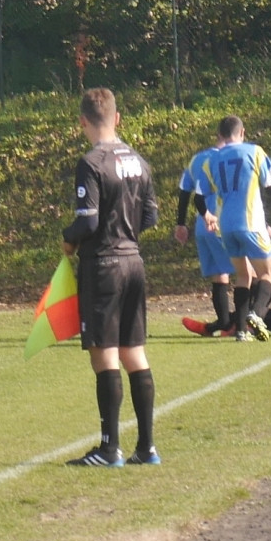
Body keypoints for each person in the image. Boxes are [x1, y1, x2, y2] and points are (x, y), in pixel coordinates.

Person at [62, 88, 161, 468]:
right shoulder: (138, 160)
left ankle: (109, 449)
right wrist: (126, 233)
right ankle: (147, 448)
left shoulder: (91, 163)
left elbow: (87, 222)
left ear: (82, 121)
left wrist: (69, 238)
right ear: (118, 118)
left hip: (103, 265)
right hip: (133, 262)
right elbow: (150, 217)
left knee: (104, 355)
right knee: (134, 352)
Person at [198, 115, 271, 342]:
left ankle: (241, 330)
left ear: (220, 135)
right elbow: (270, 188)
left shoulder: (211, 160)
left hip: (225, 226)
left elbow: (199, 197)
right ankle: (256, 313)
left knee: (243, 276)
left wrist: (207, 215)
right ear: (242, 132)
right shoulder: (254, 152)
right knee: (267, 273)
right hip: (251, 223)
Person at [174, 132, 236, 337]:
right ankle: (240, 322)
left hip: (203, 226)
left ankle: (224, 324)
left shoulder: (197, 159)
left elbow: (185, 193)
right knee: (250, 273)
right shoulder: (233, 158)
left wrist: (180, 224)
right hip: (225, 222)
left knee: (219, 276)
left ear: (217, 135)